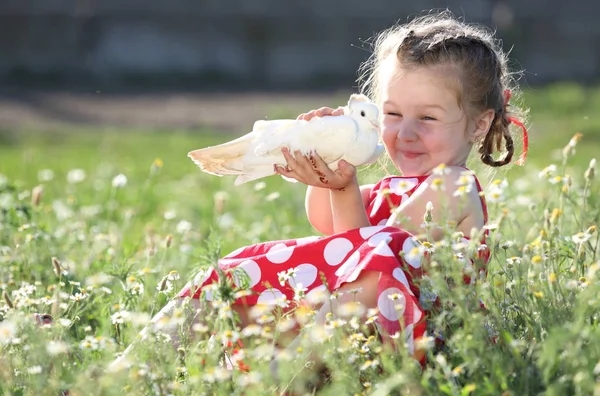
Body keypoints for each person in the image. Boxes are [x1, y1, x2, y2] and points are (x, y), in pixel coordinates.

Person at [117, 11, 528, 371]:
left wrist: (345, 188)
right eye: (393, 113)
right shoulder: (385, 189)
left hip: (422, 338)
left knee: (374, 263)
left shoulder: (453, 186)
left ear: (478, 125)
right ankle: (127, 373)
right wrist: (328, 165)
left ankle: (274, 380)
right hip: (349, 331)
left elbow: (375, 254)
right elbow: (332, 238)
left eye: (428, 117)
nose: (406, 132)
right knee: (237, 270)